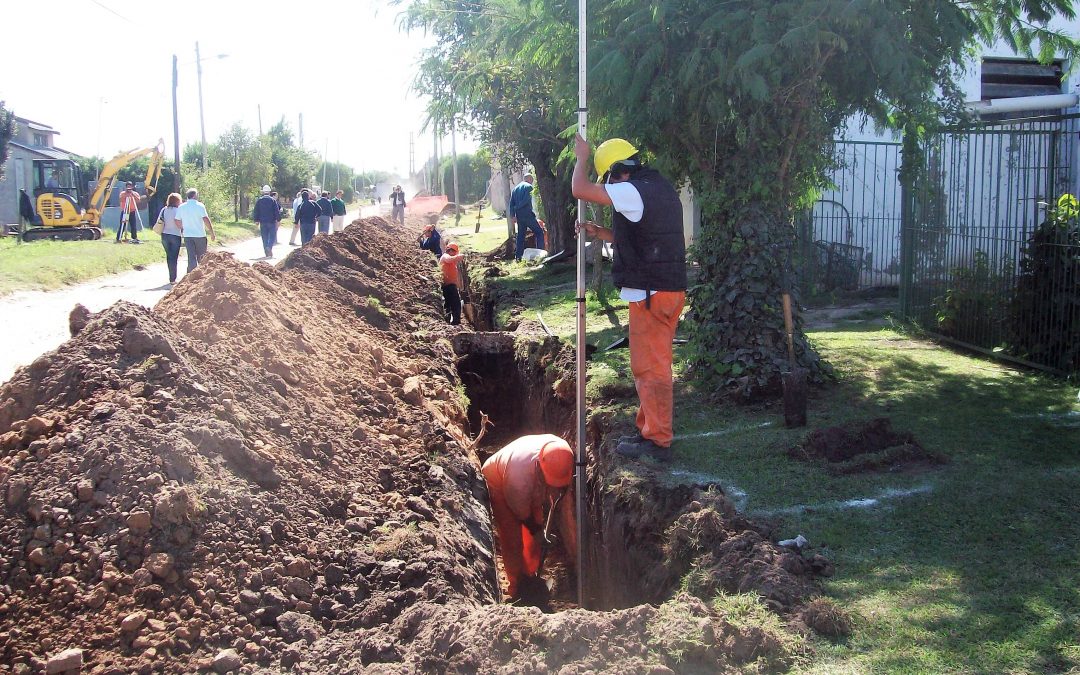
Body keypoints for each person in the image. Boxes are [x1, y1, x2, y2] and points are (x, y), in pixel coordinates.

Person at [572, 133, 687, 462]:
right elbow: (643, 236)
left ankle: (659, 439)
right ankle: (648, 429)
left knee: (652, 369)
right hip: (662, 289)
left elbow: (580, 189)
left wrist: (583, 157)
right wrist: (603, 233)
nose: (608, 185)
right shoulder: (657, 187)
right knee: (647, 366)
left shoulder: (633, 190)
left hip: (652, 292)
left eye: (608, 178)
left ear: (618, 172)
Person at [481, 434, 577, 599]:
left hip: (531, 484)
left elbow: (563, 495)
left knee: (533, 541)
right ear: (539, 467)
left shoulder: (562, 453)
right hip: (498, 482)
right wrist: (538, 532)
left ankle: (531, 574)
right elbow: (522, 514)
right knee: (512, 536)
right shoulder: (518, 479)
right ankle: (517, 587)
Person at [176, 188, 217, 272]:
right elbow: (205, 219)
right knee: (202, 257)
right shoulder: (200, 206)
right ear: (195, 195)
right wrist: (211, 232)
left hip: (188, 235)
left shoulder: (181, 207)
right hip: (199, 235)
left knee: (191, 257)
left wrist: (182, 228)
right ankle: (203, 275)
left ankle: (191, 275)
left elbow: (177, 220)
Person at [509, 174, 545, 261]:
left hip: (519, 216)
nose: (532, 182)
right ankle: (540, 255)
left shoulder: (515, 189)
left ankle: (518, 257)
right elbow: (526, 200)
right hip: (528, 215)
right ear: (529, 179)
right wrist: (517, 207)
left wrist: (513, 215)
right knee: (539, 232)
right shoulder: (529, 187)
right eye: (532, 180)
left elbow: (511, 204)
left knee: (520, 236)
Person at [156, 193, 184, 284]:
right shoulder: (179, 210)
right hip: (175, 235)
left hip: (165, 235)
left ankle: (171, 277)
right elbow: (181, 222)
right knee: (174, 257)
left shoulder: (164, 209)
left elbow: (159, 220)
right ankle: (173, 278)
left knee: (169, 256)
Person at [439, 242, 464, 325]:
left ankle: (450, 321)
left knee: (450, 304)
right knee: (455, 304)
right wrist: (458, 257)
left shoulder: (451, 260)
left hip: (450, 285)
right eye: (455, 252)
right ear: (451, 251)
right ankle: (454, 321)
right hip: (448, 286)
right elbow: (449, 259)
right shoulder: (445, 256)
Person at [253, 184, 280, 258]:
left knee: (264, 237)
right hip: (271, 221)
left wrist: (256, 220)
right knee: (272, 236)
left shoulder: (259, 200)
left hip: (262, 222)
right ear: (269, 192)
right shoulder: (273, 200)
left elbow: (256, 211)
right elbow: (276, 211)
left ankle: (266, 251)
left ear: (263, 192)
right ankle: (269, 247)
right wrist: (278, 220)